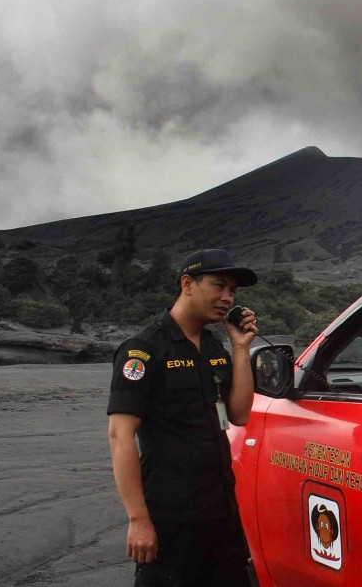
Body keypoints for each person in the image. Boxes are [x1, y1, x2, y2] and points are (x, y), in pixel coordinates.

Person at [107, 248, 260, 586]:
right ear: (188, 284)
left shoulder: (213, 348)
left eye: (232, 291)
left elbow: (239, 413)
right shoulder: (144, 350)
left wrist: (240, 348)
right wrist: (138, 519)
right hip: (170, 517)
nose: (227, 298)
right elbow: (120, 435)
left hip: (221, 512)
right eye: (218, 286)